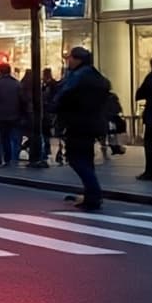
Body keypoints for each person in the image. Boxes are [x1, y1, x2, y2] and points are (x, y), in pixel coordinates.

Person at [53, 47, 109, 211]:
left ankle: (94, 195)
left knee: (75, 158)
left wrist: (55, 108)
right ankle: (91, 194)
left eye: (70, 58)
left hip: (78, 122)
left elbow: (63, 97)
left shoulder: (78, 77)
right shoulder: (96, 76)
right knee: (86, 159)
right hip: (93, 122)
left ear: (78, 59)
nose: (68, 61)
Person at [0, 63, 23, 167]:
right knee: (15, 137)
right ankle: (14, 157)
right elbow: (22, 100)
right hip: (15, 114)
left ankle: (6, 158)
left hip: (0, 115)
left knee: (4, 138)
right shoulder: (17, 84)